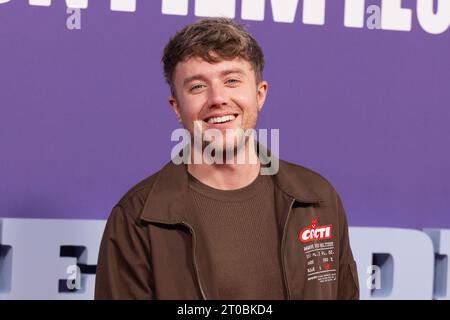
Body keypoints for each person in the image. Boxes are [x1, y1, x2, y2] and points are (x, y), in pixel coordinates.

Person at [94, 18, 359, 300]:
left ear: (260, 94)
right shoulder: (136, 219)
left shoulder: (318, 200)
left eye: (232, 80)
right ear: (177, 108)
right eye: (197, 87)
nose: (218, 98)